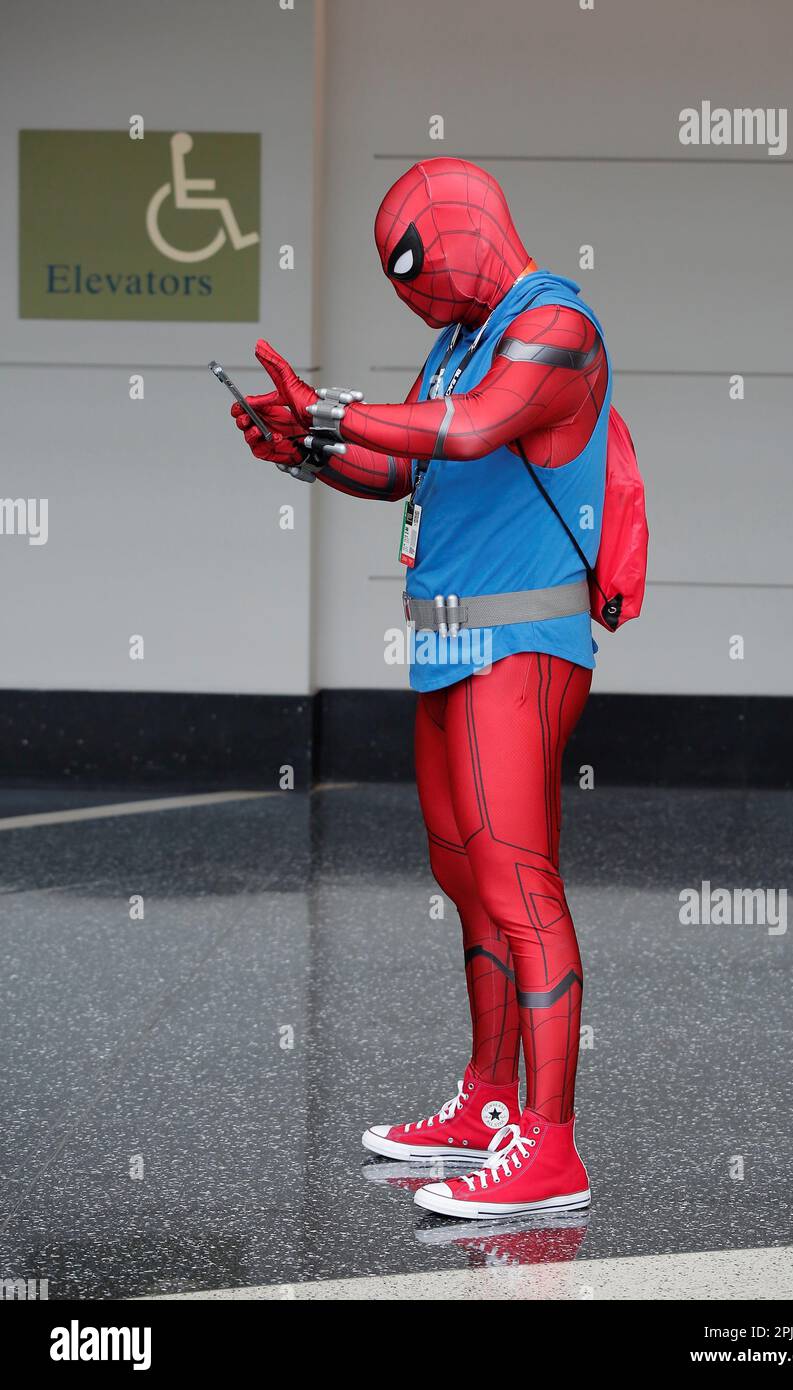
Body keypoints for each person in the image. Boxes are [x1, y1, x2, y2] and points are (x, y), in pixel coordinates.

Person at [232, 156, 611, 1219]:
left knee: (516, 877)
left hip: (521, 645)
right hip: (445, 646)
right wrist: (302, 447)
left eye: (419, 262)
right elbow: (407, 467)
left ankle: (550, 1150)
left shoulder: (557, 325)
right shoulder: (458, 343)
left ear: (469, 229)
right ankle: (488, 1103)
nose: (415, 287)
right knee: (466, 876)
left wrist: (335, 411)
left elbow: (471, 428)